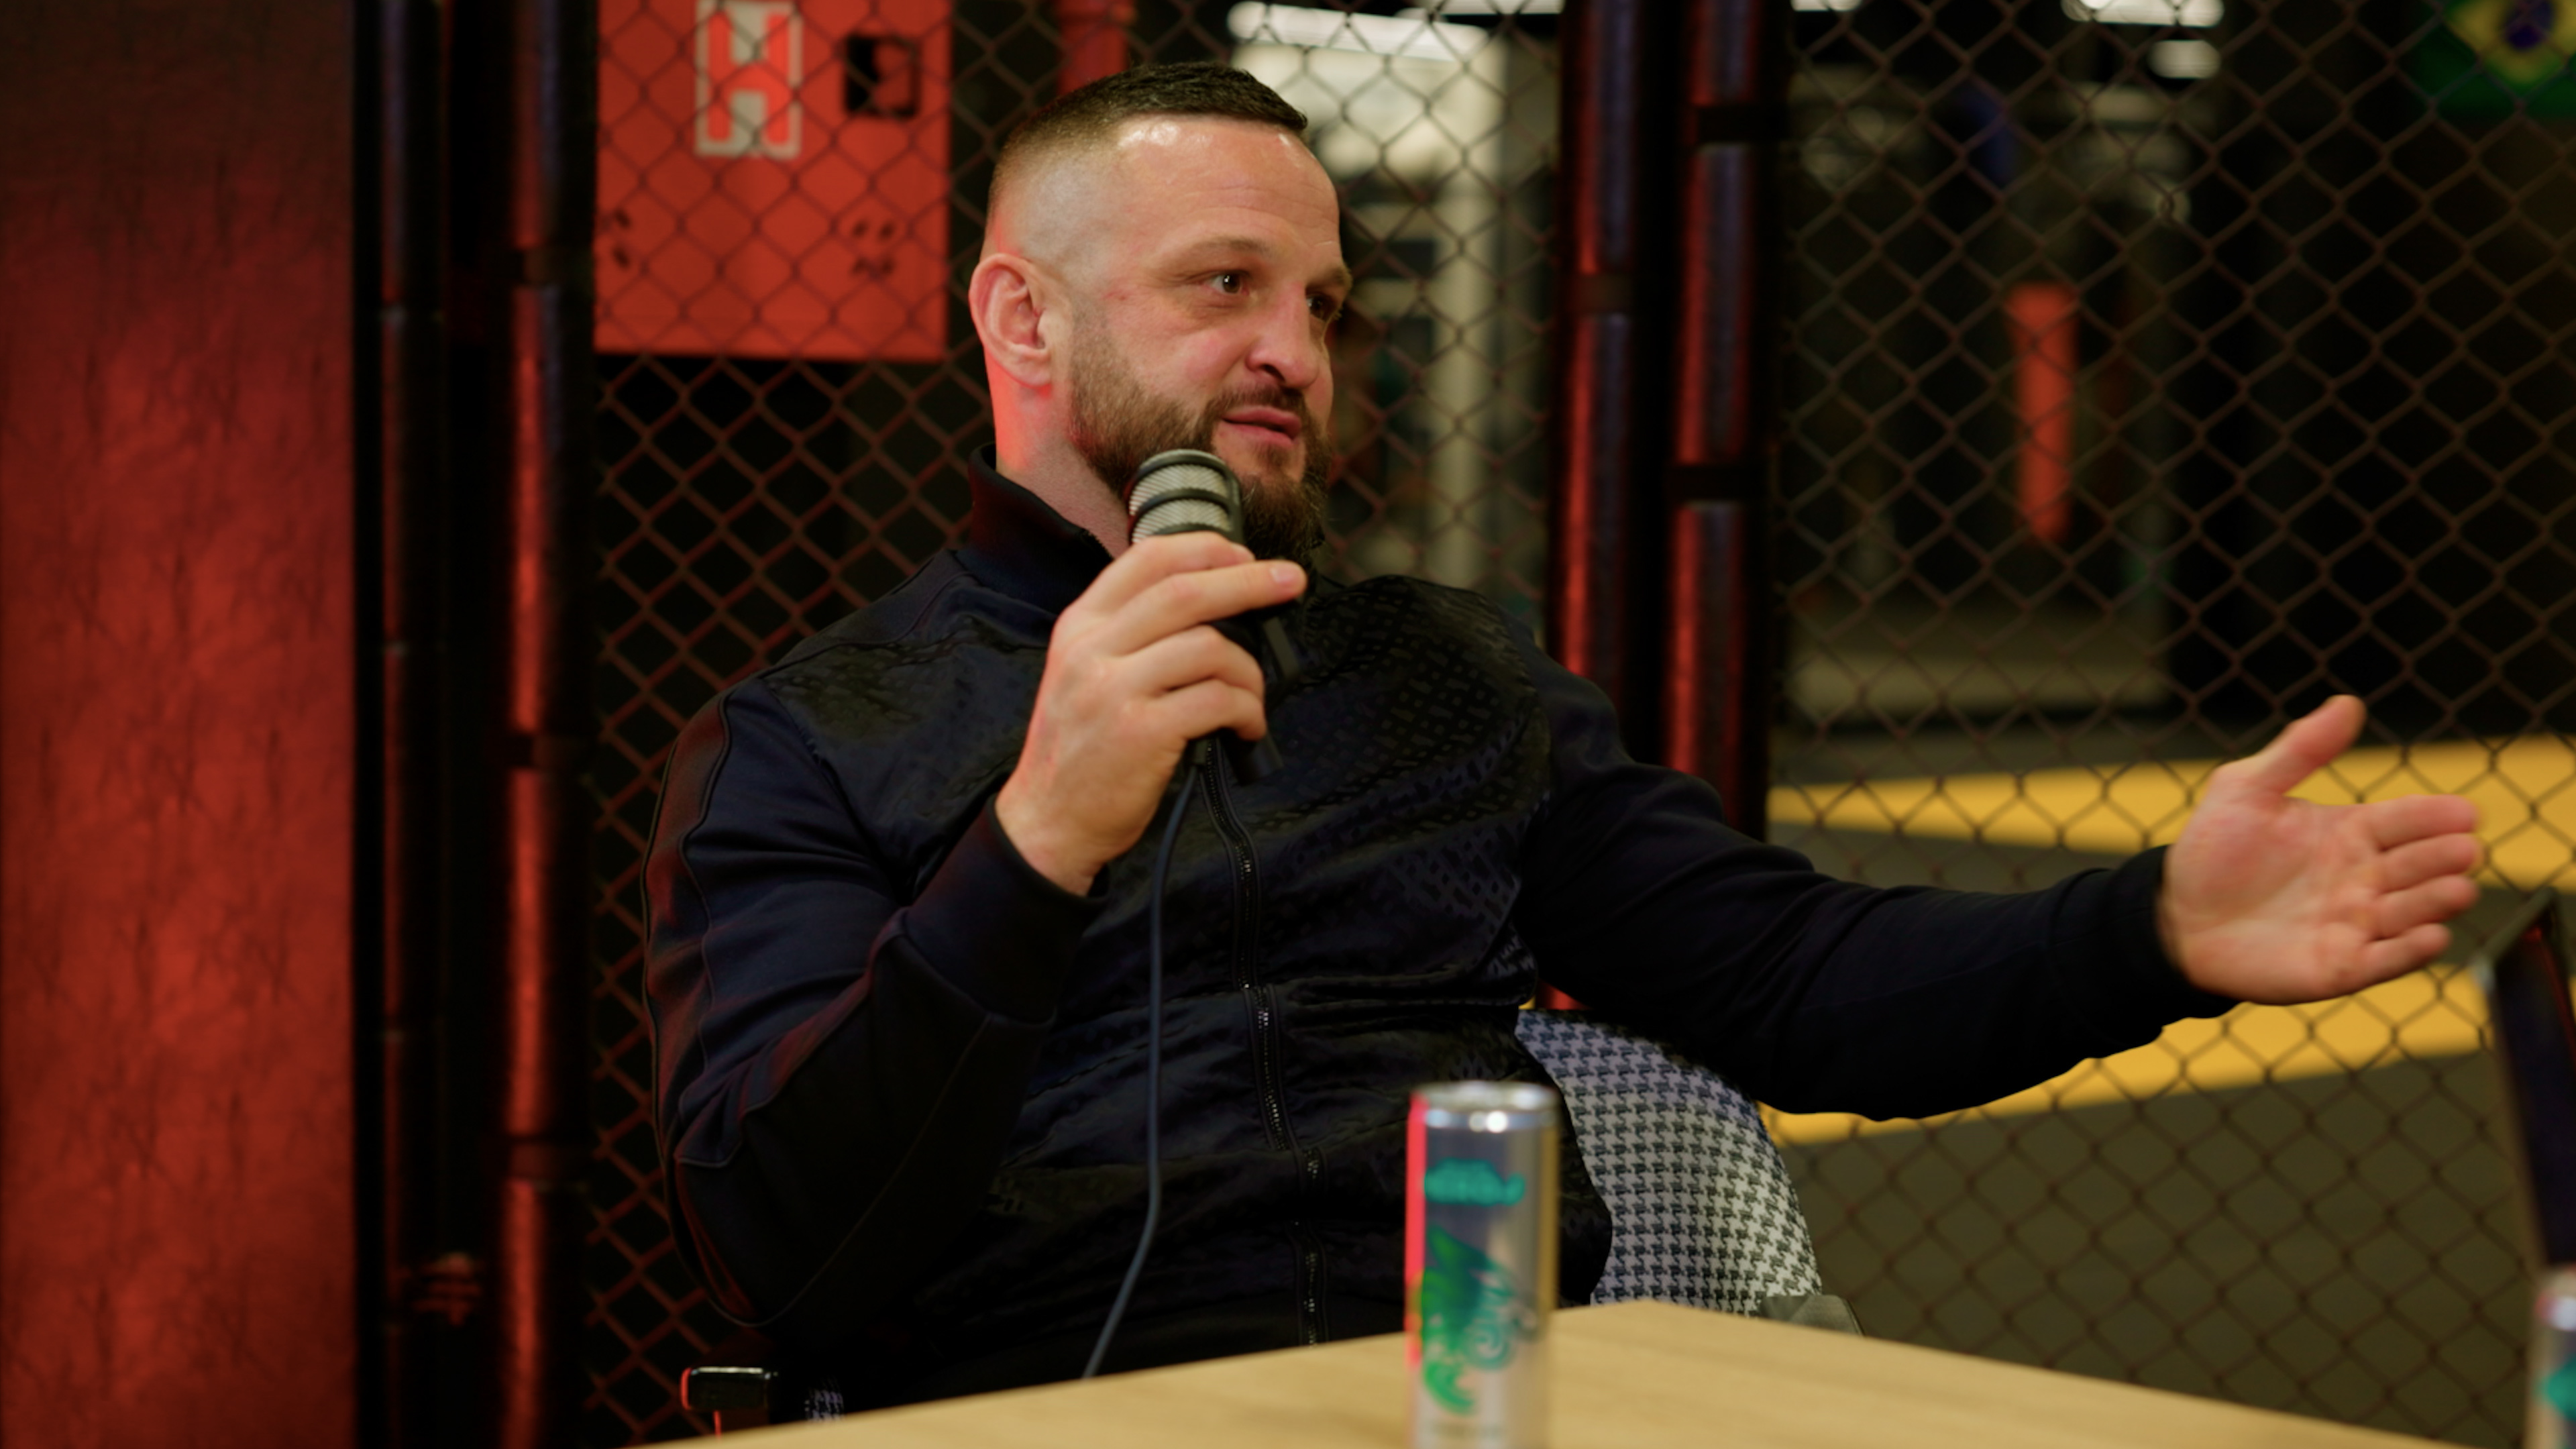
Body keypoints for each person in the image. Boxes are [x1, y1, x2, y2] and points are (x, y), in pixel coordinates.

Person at [645, 62, 2482, 1409]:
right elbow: (783, 1243)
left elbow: (1799, 980)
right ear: (1021, 317)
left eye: (1322, 304)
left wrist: (2152, 930)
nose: (1296, 351)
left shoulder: (1446, 678)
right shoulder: (813, 736)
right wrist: (1038, 840)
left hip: (1472, 1397)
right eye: (1224, 286)